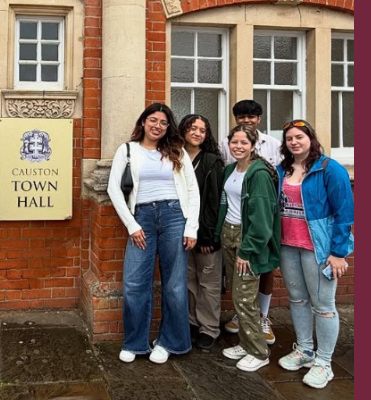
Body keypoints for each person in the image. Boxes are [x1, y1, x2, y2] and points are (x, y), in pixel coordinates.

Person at [106, 103, 200, 364]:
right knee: (135, 282)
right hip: (142, 217)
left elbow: (192, 191)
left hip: (174, 217)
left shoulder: (176, 151)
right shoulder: (127, 150)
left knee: (175, 285)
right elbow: (114, 190)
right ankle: (135, 343)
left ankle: (171, 342)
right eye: (153, 120)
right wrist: (132, 225)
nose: (158, 126)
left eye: (163, 122)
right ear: (143, 122)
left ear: (168, 127)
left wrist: (191, 227)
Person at [275, 119, 354, 389]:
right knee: (297, 300)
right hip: (288, 245)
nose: (294, 142)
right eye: (289, 139)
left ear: (310, 138)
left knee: (323, 306)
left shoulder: (330, 169)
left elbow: (344, 213)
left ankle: (324, 362)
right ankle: (305, 351)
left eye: (299, 136)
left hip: (318, 248)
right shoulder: (281, 169)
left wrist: (339, 253)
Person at [217, 125, 280, 372]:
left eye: (244, 142)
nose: (238, 147)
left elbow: (263, 219)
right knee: (239, 294)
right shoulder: (231, 169)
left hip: (247, 239)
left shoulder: (259, 174)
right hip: (228, 233)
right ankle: (245, 343)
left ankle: (258, 351)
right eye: (234, 142)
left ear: (253, 146)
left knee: (244, 298)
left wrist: (248, 249)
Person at [179, 114, 225, 350]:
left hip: (205, 234)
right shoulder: (175, 156)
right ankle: (191, 323)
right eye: (192, 128)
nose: (197, 133)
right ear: (183, 130)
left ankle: (209, 327)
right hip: (182, 231)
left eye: (202, 130)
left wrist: (208, 235)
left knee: (208, 282)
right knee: (188, 280)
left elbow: (214, 201)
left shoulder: (211, 161)